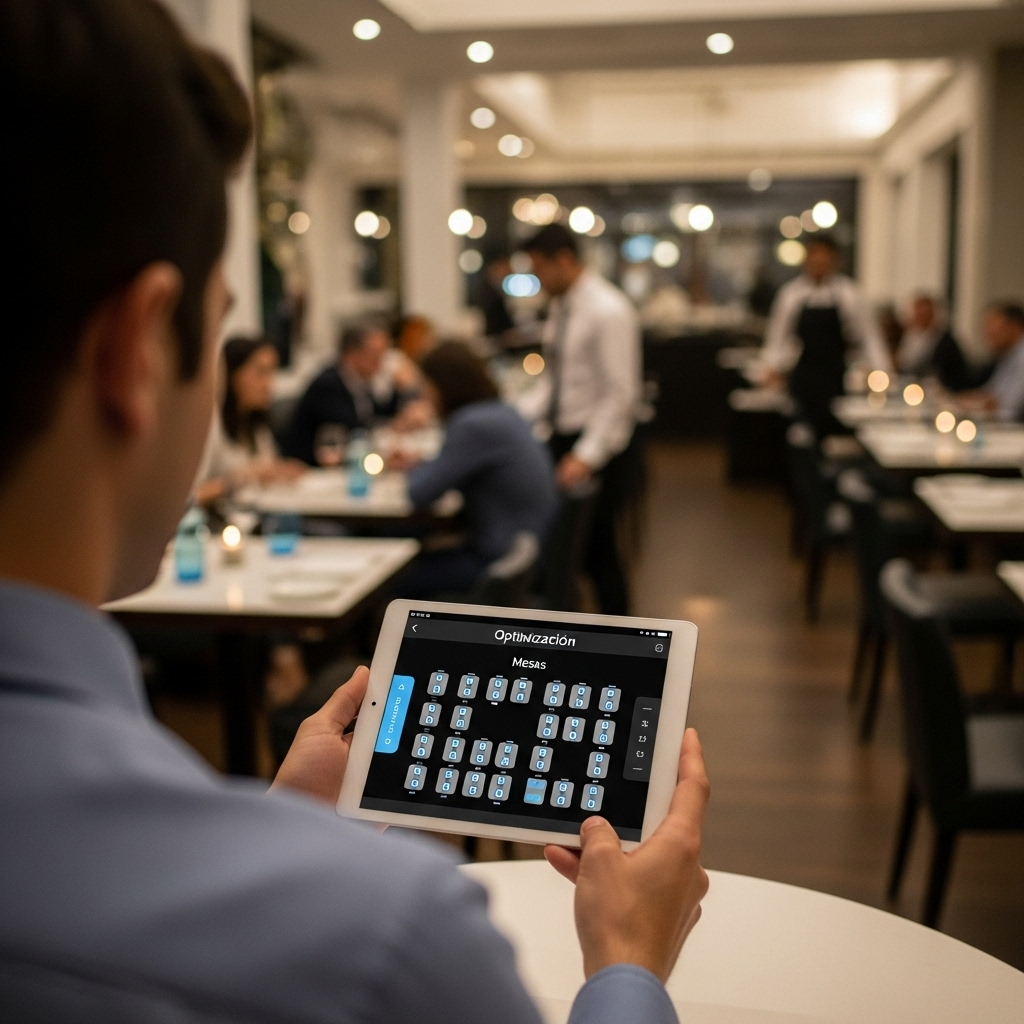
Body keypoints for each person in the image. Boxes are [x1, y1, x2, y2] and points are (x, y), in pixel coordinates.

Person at [0, 4, 711, 1023]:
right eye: (213, 336)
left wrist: (279, 823)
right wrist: (628, 966)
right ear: (133, 355)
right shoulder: (377, 942)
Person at [520, 223, 642, 616]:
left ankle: (624, 643)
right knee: (568, 551)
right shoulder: (561, 305)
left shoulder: (608, 310)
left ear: (565, 260)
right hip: (563, 439)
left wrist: (586, 456)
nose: (536, 278)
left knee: (599, 554)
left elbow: (620, 395)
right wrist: (514, 417)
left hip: (597, 449)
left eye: (540, 268)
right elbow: (555, 383)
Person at [390, 342, 559, 598]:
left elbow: (420, 493)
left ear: (442, 385)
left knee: (395, 578)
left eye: (426, 385)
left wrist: (414, 468)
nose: (424, 394)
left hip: (500, 562)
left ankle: (394, 637)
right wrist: (423, 464)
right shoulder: (500, 411)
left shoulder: (471, 424)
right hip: (528, 553)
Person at [761, 234, 892, 436]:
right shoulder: (792, 294)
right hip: (804, 374)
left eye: (824, 259)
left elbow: (869, 337)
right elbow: (777, 336)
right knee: (802, 431)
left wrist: (882, 370)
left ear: (834, 260)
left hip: (836, 374)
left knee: (835, 428)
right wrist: (771, 366)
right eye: (814, 258)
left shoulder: (849, 293)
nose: (818, 264)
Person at [282, 320, 414, 464]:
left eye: (383, 354)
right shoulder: (327, 384)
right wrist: (396, 424)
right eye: (375, 354)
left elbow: (377, 414)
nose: (381, 362)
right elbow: (353, 431)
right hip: (311, 469)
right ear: (351, 353)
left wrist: (400, 391)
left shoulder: (360, 380)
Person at [196, 335, 304, 506]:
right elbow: (191, 496)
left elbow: (263, 468)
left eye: (272, 373)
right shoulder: (210, 424)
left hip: (257, 517)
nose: (269, 384)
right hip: (221, 526)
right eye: (261, 372)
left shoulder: (255, 422)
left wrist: (279, 470)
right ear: (232, 374)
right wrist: (241, 479)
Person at [959, 301, 1024, 420]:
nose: (988, 333)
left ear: (1015, 326)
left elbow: (1010, 410)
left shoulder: (1021, 358)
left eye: (994, 326)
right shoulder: (1008, 355)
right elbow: (992, 392)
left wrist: (982, 403)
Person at [895, 293, 972, 391]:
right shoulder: (910, 337)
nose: (918, 316)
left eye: (923, 313)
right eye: (916, 312)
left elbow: (933, 371)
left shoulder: (945, 342)